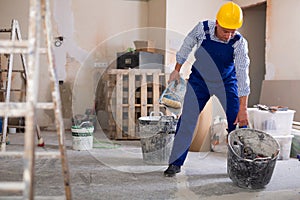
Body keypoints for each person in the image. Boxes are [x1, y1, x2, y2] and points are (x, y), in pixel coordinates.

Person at [164, 2, 250, 177]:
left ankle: (243, 166)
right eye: (226, 30)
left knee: (238, 121)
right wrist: (176, 70)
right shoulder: (202, 29)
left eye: (233, 31)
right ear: (217, 22)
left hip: (226, 82)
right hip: (200, 80)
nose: (229, 35)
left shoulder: (239, 42)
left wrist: (244, 109)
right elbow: (186, 46)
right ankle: (175, 163)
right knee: (187, 119)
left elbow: (242, 74)